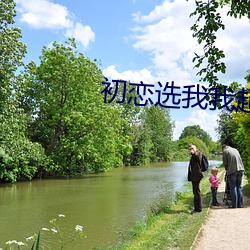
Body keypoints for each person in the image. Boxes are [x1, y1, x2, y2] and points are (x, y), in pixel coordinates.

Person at [188, 143, 204, 214]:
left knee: (196, 192)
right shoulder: (194, 155)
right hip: (195, 176)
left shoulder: (198, 154)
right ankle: (197, 208)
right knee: (196, 192)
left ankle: (198, 209)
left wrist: (194, 152)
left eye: (192, 148)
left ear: (195, 148)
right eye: (190, 149)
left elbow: (198, 158)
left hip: (196, 176)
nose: (191, 150)